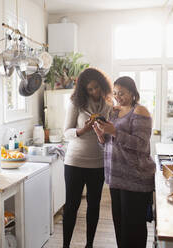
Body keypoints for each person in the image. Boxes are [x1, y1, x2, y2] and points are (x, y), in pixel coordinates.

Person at [92, 76, 155, 248]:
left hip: (135, 178)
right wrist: (100, 135)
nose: (118, 97)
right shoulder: (114, 111)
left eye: (122, 93)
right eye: (115, 93)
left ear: (133, 93)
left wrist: (114, 132)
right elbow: (110, 144)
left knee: (133, 230)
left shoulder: (140, 111)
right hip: (115, 178)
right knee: (120, 227)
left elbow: (141, 145)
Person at [63, 67, 113, 248]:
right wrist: (83, 130)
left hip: (97, 163)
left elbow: (109, 138)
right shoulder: (75, 104)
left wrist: (103, 130)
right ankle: (65, 245)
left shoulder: (108, 106)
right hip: (75, 162)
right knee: (71, 206)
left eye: (97, 87)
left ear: (102, 85)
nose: (94, 92)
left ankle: (89, 245)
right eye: (90, 89)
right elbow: (66, 132)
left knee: (94, 206)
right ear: (83, 90)